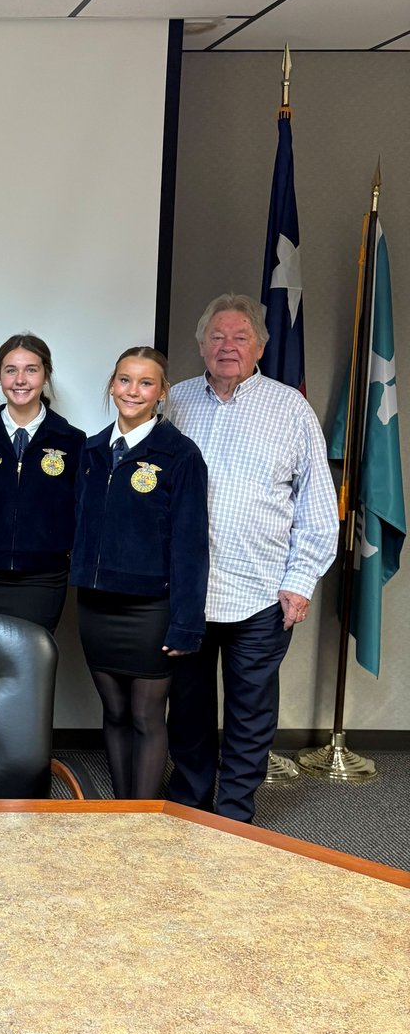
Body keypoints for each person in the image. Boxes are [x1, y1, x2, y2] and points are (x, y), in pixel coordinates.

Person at [166, 294, 337, 822]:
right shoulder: (173, 402)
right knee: (188, 708)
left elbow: (318, 506)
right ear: (200, 345)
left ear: (260, 346)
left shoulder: (290, 408)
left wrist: (301, 580)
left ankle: (235, 811)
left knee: (250, 714)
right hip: (188, 592)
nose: (227, 347)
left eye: (240, 337)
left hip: (263, 593)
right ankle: (190, 801)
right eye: (217, 336)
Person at [70, 347, 209, 800]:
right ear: (112, 386)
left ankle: (144, 821)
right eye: (125, 380)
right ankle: (119, 814)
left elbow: (191, 546)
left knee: (147, 717)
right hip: (96, 607)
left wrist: (186, 624)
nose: (133, 391)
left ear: (162, 393)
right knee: (113, 714)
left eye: (146, 383)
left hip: (151, 611)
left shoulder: (180, 456)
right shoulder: (90, 451)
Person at [0, 333, 86, 632]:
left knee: (31, 666)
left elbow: (80, 508)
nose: (20, 380)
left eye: (31, 369)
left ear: (45, 375)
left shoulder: (72, 441)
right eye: (10, 370)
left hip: (43, 578)